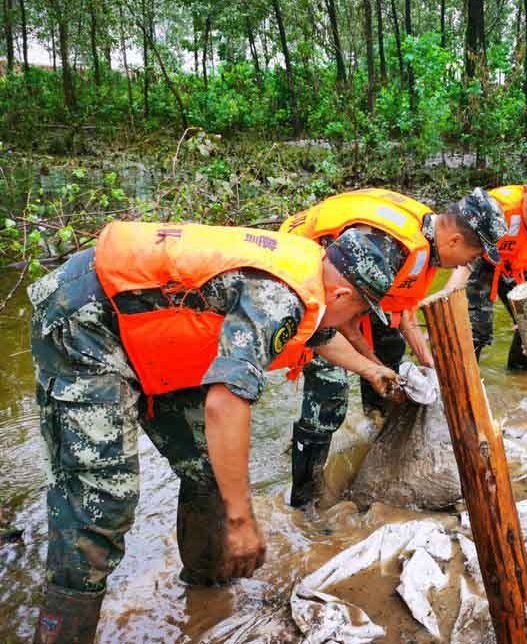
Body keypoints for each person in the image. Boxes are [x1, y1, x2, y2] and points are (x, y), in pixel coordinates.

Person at [29, 222, 401, 643]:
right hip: (84, 325)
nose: (355, 323)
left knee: (208, 469)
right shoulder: (279, 296)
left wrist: (371, 369)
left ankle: (204, 592)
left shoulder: (312, 270)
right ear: (342, 295)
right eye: (358, 313)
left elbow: (320, 332)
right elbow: (226, 403)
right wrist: (242, 521)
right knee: (101, 503)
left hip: (142, 329)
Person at [280, 188, 508, 508]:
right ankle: (304, 502)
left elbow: (404, 309)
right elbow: (342, 319)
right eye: (472, 257)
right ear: (455, 240)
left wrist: (431, 365)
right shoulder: (387, 248)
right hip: (307, 277)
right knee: (329, 394)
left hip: (346, 288)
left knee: (389, 351)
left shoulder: (427, 241)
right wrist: (373, 367)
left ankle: (369, 436)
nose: (470, 264)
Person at [445, 164, 527, 369]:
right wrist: (448, 297)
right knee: (476, 330)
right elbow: (464, 258)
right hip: (483, 262)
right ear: (525, 191)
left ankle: (518, 375)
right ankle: (467, 378)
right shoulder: (497, 208)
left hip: (519, 267)